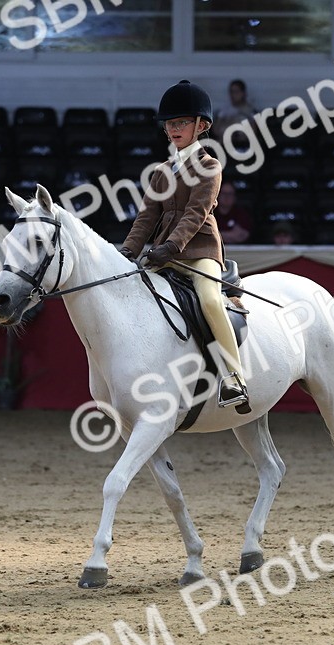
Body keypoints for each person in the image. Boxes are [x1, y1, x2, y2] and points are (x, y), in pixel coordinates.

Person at [118, 80, 250, 414]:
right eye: (170, 124)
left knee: (208, 300)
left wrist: (172, 246)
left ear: (201, 126)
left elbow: (196, 213)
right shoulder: (161, 172)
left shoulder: (209, 167)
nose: (174, 129)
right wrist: (128, 251)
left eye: (181, 123)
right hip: (164, 252)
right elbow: (146, 217)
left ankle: (234, 377)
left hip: (199, 251)